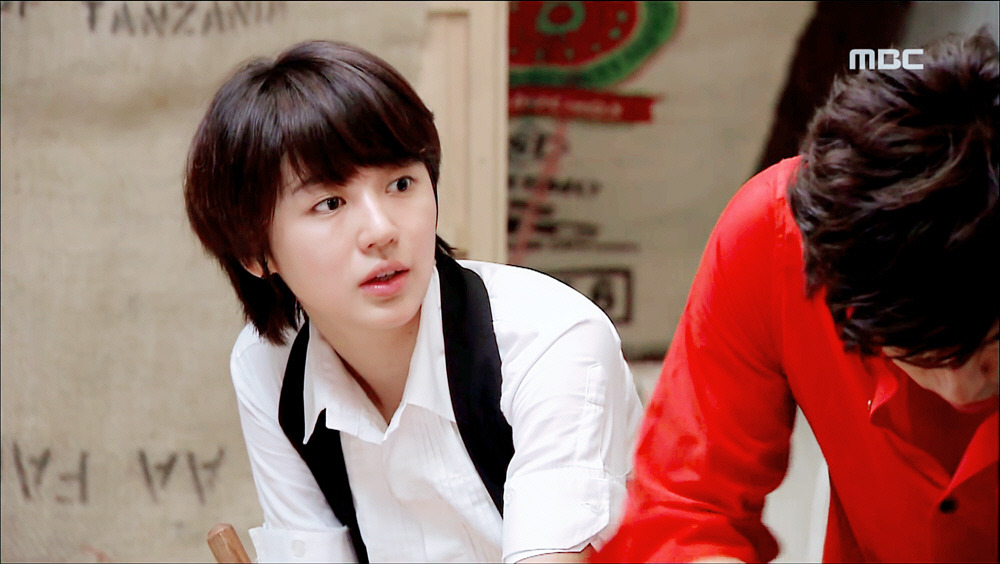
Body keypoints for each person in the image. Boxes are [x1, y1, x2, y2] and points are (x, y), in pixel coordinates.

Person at [183, 40, 643, 563]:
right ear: (254, 251)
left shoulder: (549, 342)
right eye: (330, 203)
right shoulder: (270, 367)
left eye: (401, 183)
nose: (381, 230)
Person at [597, 30, 998, 563]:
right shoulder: (777, 239)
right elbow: (687, 509)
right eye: (917, 356)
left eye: (991, 351)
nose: (959, 387)